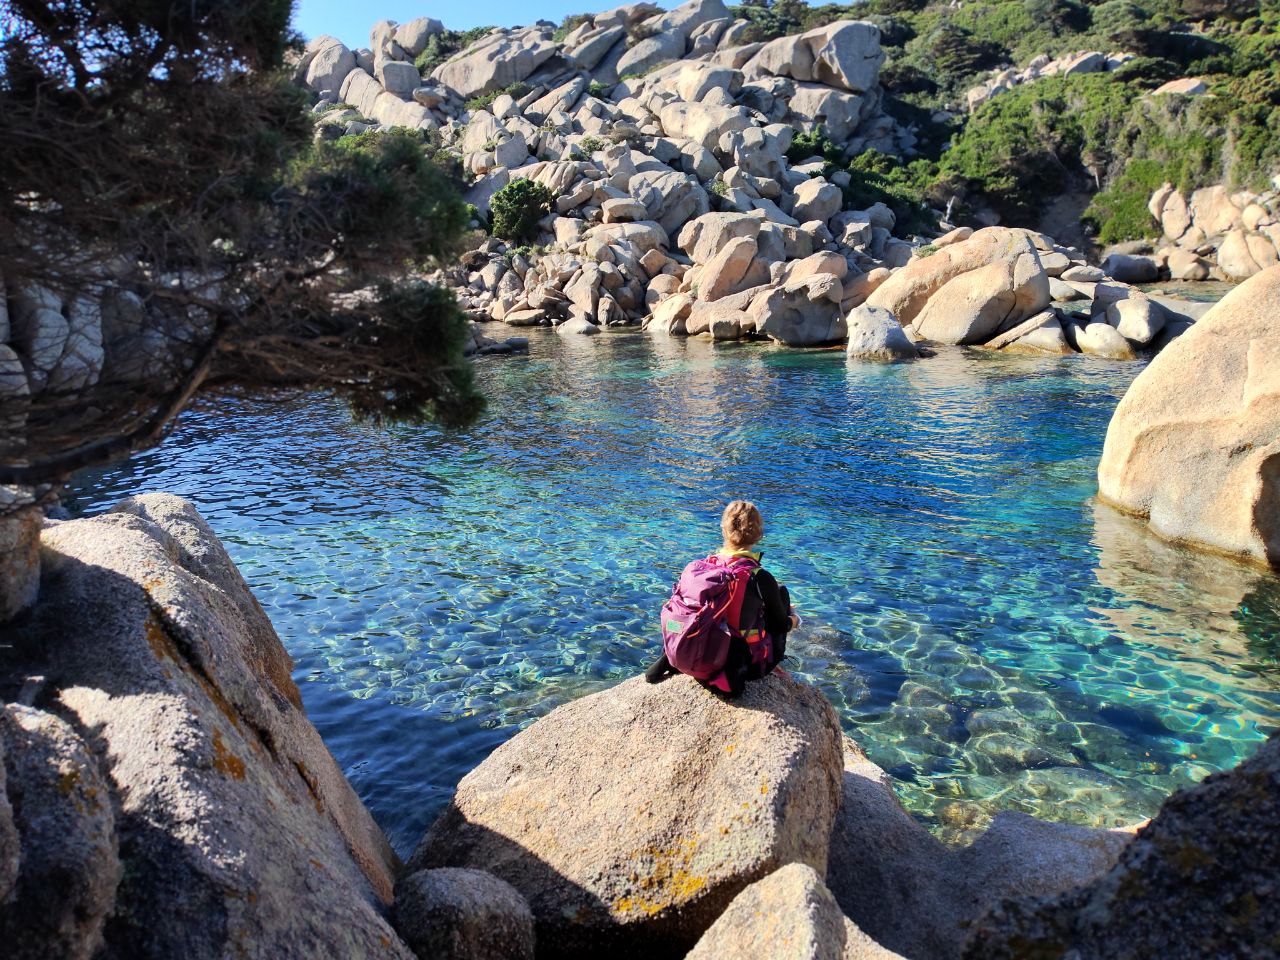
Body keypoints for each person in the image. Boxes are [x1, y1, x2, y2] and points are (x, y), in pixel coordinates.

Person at [647, 500, 799, 697]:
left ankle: (670, 655)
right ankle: (750, 667)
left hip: (692, 645)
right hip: (733, 661)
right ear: (759, 534)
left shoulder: (700, 567)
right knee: (782, 595)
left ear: (724, 530)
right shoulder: (760, 577)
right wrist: (794, 619)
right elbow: (779, 626)